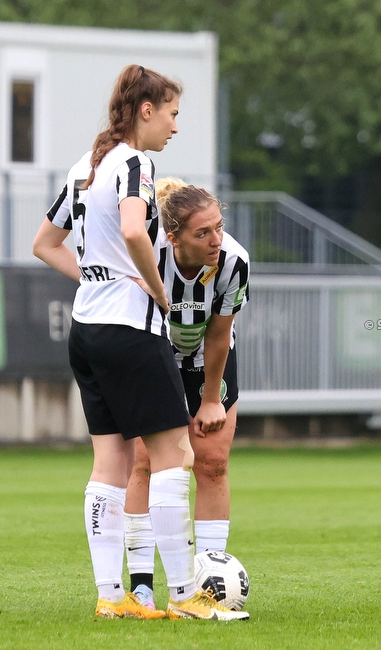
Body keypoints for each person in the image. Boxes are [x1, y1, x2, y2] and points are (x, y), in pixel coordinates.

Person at [32, 64, 248, 621]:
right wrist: (154, 290)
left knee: (110, 463)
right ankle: (185, 597)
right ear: (145, 111)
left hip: (87, 329)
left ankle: (112, 596)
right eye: (173, 114)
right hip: (130, 329)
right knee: (174, 457)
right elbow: (133, 230)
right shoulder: (133, 162)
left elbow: (44, 242)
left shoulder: (88, 163)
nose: (175, 127)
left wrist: (95, 279)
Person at [123, 178, 250, 610]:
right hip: (153, 352)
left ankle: (207, 584)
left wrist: (211, 398)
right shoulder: (148, 254)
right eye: (203, 233)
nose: (216, 240)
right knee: (145, 462)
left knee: (212, 463)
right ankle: (141, 586)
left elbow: (219, 335)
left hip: (206, 359)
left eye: (218, 227)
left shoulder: (233, 261)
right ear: (173, 237)